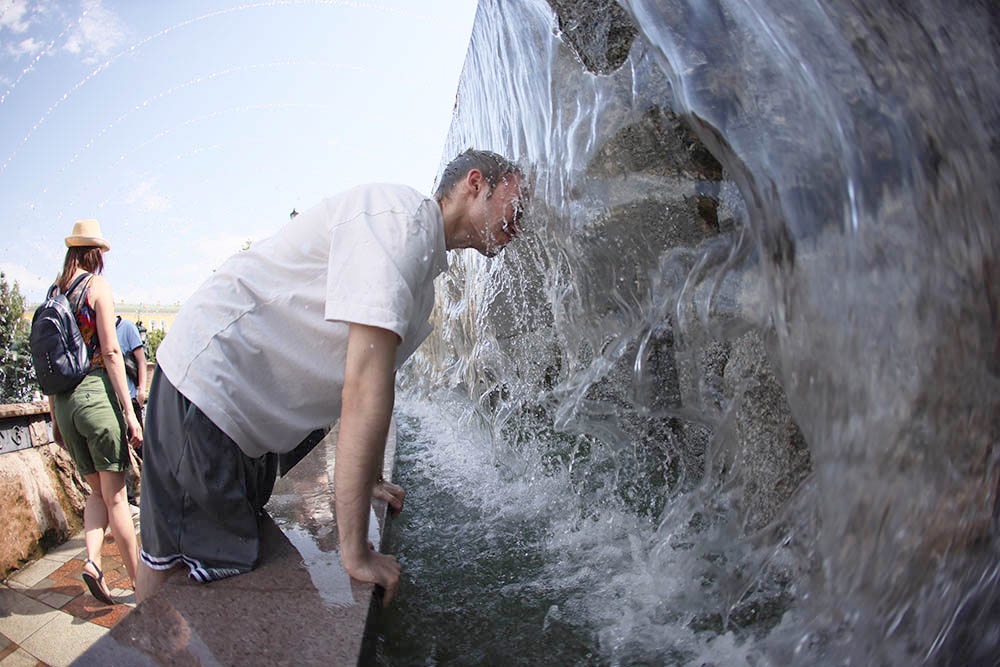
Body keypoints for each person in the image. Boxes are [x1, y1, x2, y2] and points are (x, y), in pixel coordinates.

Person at [136, 149, 526, 605]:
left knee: (207, 567)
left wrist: (372, 479)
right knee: (175, 568)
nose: (520, 222)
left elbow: (380, 381)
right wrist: (355, 550)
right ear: (475, 184)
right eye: (515, 203)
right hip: (208, 388)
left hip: (245, 416)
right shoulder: (399, 222)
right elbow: (363, 389)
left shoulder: (421, 264)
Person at [47, 218, 143, 605]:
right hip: (95, 398)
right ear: (95, 254)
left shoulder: (55, 291)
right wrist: (131, 412)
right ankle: (142, 588)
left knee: (96, 494)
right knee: (117, 497)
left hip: (66, 405)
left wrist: (54, 417)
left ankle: (92, 562)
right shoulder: (96, 287)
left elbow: (50, 363)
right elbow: (112, 352)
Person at [115, 316, 148, 423]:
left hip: (131, 396)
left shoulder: (127, 327)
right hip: (112, 399)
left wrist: (142, 390)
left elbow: (141, 360)